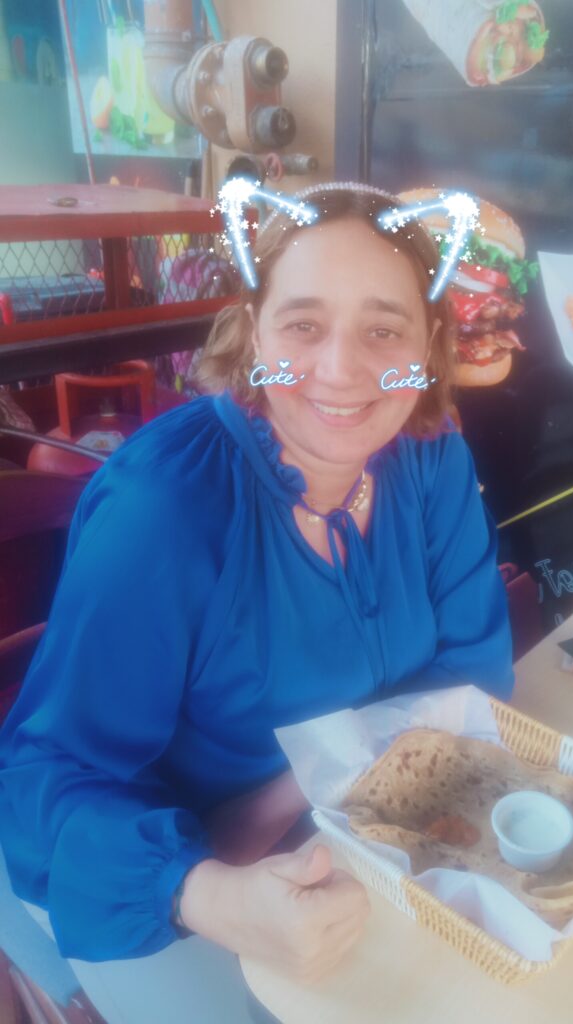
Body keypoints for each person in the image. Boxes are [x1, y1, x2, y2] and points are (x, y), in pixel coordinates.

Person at [0, 182, 514, 1022]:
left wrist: (298, 788)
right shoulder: (163, 512)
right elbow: (45, 783)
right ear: (253, 332)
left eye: (384, 329)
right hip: (167, 886)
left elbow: (472, 665)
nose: (341, 370)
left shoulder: (431, 454)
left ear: (427, 346)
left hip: (356, 833)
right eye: (303, 325)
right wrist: (206, 893)